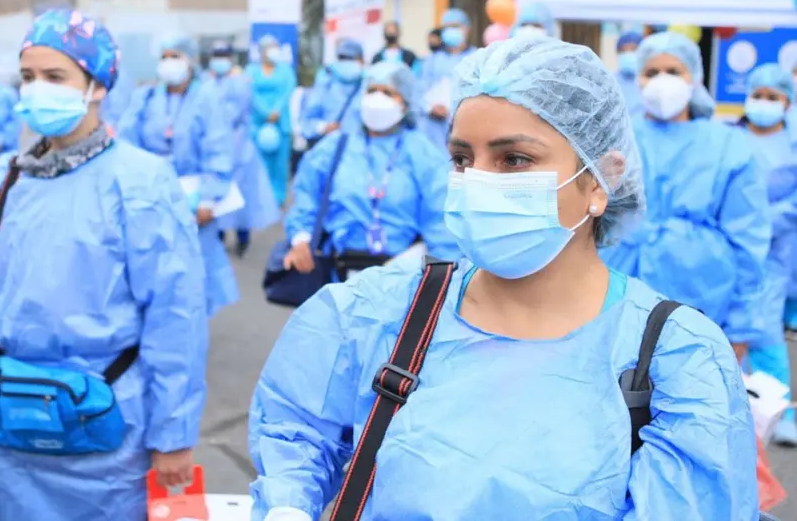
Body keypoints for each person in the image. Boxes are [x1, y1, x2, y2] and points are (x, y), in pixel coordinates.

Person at [249, 35, 759, 521]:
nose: (478, 183)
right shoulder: (384, 312)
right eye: (462, 158)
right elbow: (295, 427)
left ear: (601, 178)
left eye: (515, 159)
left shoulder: (676, 360)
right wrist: (289, 504)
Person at [0, 8, 208, 521]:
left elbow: (176, 317)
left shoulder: (142, 184)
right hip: (15, 416)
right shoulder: (3, 180)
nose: (37, 90)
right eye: (29, 77)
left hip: (107, 425)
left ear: (97, 85)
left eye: (55, 77)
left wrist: (174, 435)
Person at [602, 32, 771, 365]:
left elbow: (749, 240)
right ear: (637, 79)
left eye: (673, 71)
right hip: (615, 293)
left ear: (694, 78)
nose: (662, 81)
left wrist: (741, 326)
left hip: (704, 297)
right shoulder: (615, 140)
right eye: (651, 72)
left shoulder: (729, 146)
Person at [283, 60, 457, 281]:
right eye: (372, 90)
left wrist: (440, 273)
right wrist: (300, 239)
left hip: (403, 278)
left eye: (388, 92)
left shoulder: (424, 154)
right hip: (339, 275)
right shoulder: (334, 147)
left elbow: (441, 219)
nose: (378, 98)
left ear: (405, 102)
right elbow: (307, 195)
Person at [117, 33, 239, 318]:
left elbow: (218, 147)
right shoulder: (145, 97)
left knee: (194, 270)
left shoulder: (208, 98)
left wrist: (209, 198)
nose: (169, 63)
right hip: (150, 197)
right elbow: (127, 143)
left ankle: (192, 323)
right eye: (164, 57)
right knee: (150, 266)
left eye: (176, 57)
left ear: (190, 61)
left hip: (194, 200)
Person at [736, 63, 797, 446]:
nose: (763, 102)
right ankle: (737, 406)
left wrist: (761, 220)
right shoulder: (727, 138)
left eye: (772, 97)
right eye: (758, 94)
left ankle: (781, 412)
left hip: (776, 251)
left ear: (786, 102)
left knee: (766, 328)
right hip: (733, 248)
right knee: (730, 324)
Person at [207, 40, 280, 256]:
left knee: (240, 196)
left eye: (223, 55)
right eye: (216, 55)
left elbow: (237, 113)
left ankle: (242, 238)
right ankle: (216, 239)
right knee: (215, 197)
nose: (219, 60)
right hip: (215, 149)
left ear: (230, 58)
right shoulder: (207, 83)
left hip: (239, 148)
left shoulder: (240, 82)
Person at [246, 35, 297, 206]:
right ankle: (260, 197)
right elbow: (250, 93)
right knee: (259, 163)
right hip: (258, 123)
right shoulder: (251, 71)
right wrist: (265, 112)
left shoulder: (286, 70)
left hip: (280, 123)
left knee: (280, 164)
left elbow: (288, 90)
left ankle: (279, 197)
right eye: (270, 47)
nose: (274, 50)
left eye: (276, 46)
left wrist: (276, 111)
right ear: (261, 51)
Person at [417, 8, 476, 150]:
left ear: (466, 29)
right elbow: (418, 91)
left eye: (455, 27)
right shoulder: (430, 61)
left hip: (466, 125)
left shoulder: (477, 58)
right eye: (447, 28)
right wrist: (430, 107)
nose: (451, 31)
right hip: (433, 128)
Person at [298, 38, 365, 143]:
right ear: (360, 59)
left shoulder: (325, 77)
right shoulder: (369, 80)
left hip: (328, 148)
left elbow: (306, 122)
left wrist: (324, 127)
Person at [613, 31, 643, 115]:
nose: (627, 54)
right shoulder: (611, 82)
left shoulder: (649, 80)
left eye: (634, 49)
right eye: (622, 51)